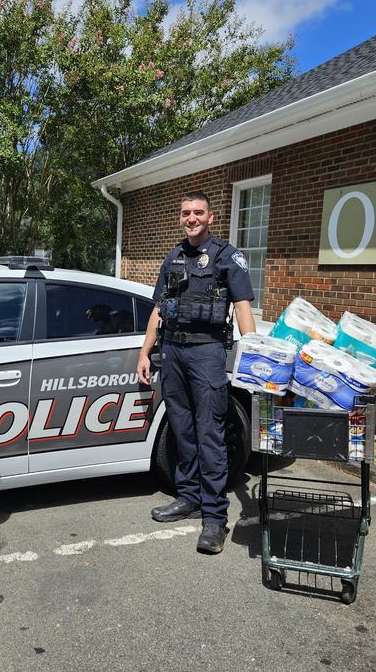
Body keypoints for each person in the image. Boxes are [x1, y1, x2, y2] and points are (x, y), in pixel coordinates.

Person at [137, 191, 255, 555]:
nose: (192, 218)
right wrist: (146, 351)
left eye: (198, 212)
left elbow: (242, 306)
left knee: (210, 433)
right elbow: (159, 307)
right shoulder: (173, 256)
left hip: (207, 353)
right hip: (172, 351)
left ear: (210, 217)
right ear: (181, 217)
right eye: (186, 212)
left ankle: (215, 518)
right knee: (181, 428)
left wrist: (254, 355)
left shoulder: (226, 256)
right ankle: (188, 497)